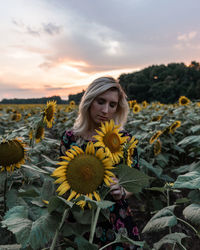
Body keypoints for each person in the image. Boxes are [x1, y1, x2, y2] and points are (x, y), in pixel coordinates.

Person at [60, 76, 140, 249]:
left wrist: (122, 190)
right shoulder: (70, 138)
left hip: (113, 217)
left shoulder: (123, 140)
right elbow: (64, 178)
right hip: (79, 218)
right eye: (101, 101)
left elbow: (135, 181)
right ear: (89, 101)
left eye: (112, 105)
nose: (105, 110)